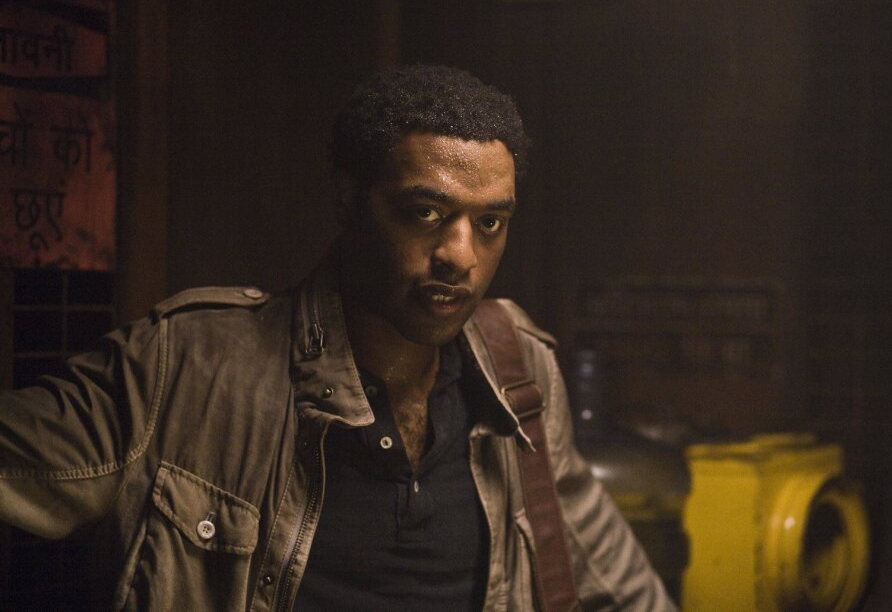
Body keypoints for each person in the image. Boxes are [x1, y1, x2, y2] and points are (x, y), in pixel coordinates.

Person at [0, 65, 674, 610]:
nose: (460, 255)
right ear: (350, 202)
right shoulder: (189, 363)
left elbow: (622, 589)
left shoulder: (517, 366)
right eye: (425, 212)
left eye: (489, 223)